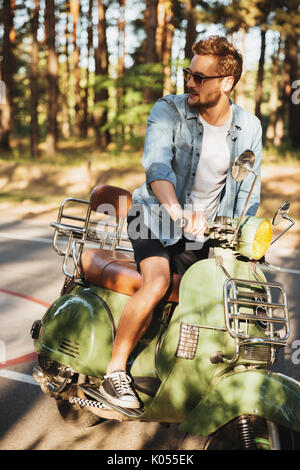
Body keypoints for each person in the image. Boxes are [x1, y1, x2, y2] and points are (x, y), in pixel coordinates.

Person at [98, 35, 262, 410]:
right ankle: (114, 372)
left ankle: (176, 370)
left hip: (202, 231)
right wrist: (175, 209)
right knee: (156, 282)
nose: (189, 82)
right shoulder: (167, 111)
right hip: (152, 215)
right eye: (188, 73)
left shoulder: (249, 127)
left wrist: (244, 244)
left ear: (226, 83)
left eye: (199, 77)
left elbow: (248, 192)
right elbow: (157, 167)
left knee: (213, 295)